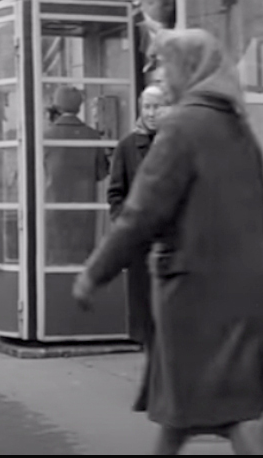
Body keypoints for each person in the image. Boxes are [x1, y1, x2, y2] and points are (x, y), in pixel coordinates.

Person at [74, 29, 263, 455]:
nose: (162, 78)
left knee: (188, 407)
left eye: (167, 66)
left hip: (193, 293)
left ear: (189, 68)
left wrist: (94, 273)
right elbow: (261, 217)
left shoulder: (182, 126)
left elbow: (141, 212)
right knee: (225, 407)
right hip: (242, 290)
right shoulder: (238, 127)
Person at [106, 85, 170, 368]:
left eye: (158, 106)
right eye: (147, 107)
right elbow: (115, 194)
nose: (152, 113)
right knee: (146, 309)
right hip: (142, 243)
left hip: (175, 242)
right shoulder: (127, 147)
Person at [44, 86, 111, 266]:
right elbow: (101, 172)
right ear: (80, 106)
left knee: (56, 257)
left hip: (54, 205)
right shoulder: (92, 135)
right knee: (82, 257)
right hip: (86, 206)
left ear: (57, 105)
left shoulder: (46, 136)